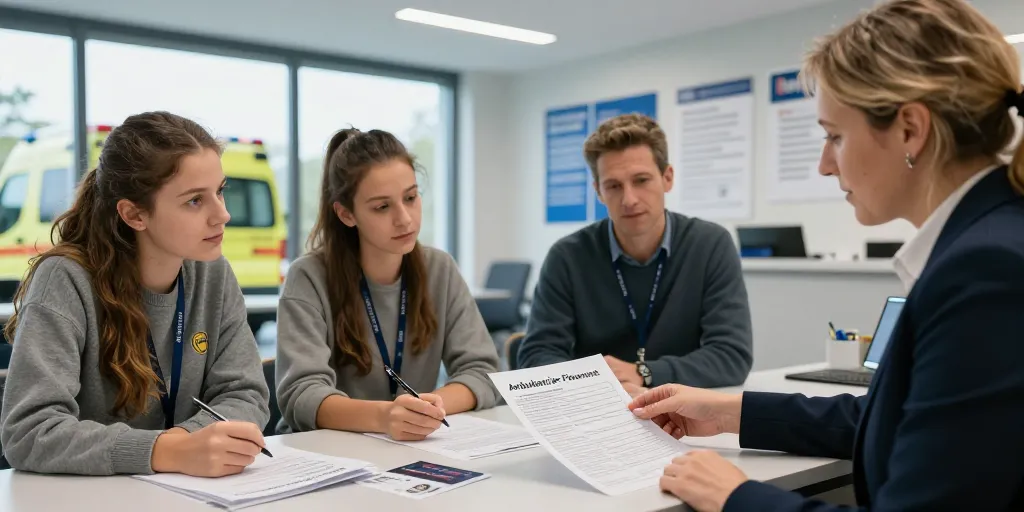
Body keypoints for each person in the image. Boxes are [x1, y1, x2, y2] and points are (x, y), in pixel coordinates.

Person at [629, 0, 1024, 510]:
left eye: (834, 136)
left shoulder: (987, 273)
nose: (823, 165)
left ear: (910, 129)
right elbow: (899, 418)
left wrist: (736, 496)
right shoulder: (988, 245)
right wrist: (730, 411)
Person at [0, 112, 271, 477]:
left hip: (184, 492)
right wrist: (166, 451)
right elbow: (29, 433)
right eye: (194, 201)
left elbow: (246, 394)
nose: (222, 214)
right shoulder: (65, 280)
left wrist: (183, 445)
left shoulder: (212, 274)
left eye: (219, 191)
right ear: (134, 214)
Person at [275, 127, 501, 440]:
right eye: (382, 207)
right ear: (346, 214)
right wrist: (387, 415)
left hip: (408, 445)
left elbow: (484, 372)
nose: (405, 219)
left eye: (411, 197)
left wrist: (427, 408)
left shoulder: (440, 268)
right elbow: (302, 396)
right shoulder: (309, 277)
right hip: (327, 450)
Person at [518, 113, 753, 393]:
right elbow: (536, 356)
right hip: (597, 412)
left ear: (667, 178)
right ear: (598, 192)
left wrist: (645, 372)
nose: (629, 199)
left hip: (684, 411)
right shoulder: (568, 257)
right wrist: (596, 384)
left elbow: (731, 357)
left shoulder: (710, 245)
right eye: (614, 186)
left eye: (641, 180)